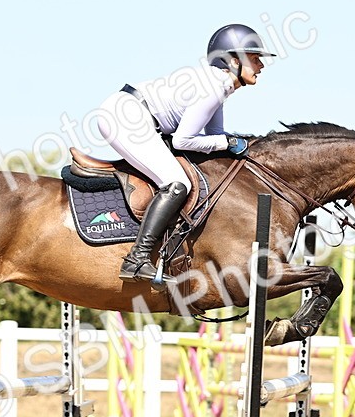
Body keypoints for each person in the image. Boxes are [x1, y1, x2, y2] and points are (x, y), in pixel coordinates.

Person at [93, 24, 274, 284]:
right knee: (178, 183)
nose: (261, 66)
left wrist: (238, 144)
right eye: (255, 59)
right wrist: (228, 143)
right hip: (127, 117)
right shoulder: (213, 87)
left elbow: (216, 133)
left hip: (132, 113)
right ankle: (137, 259)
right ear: (234, 60)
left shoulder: (219, 85)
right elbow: (184, 140)